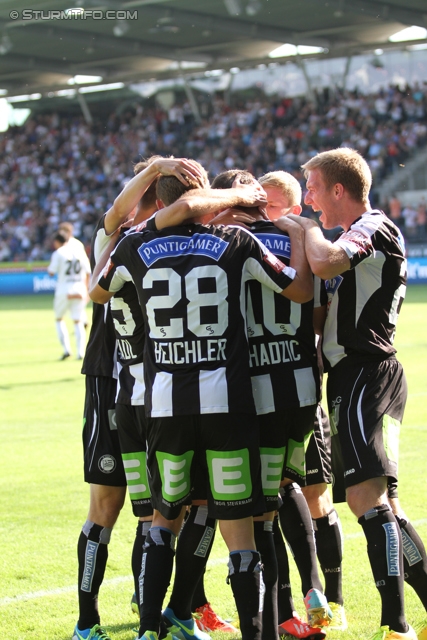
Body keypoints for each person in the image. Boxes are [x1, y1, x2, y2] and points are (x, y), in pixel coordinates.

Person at [89, 172, 312, 640]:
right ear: (205, 199)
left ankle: (150, 627)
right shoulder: (235, 241)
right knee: (238, 528)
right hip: (227, 404)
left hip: (164, 405)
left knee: (162, 520)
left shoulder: (133, 245)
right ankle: (256, 632)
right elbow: (299, 291)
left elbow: (96, 292)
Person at [73, 156, 205, 640]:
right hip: (110, 382)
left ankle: (151, 602)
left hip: (158, 387)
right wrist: (156, 170)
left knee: (160, 508)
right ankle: (87, 621)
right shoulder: (116, 238)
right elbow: (114, 213)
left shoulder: (162, 242)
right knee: (106, 504)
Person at [287, 147, 416, 640]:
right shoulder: (353, 235)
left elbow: (325, 262)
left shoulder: (372, 227)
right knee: (387, 509)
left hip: (368, 372)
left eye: (314, 188)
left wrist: (305, 230)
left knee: (367, 500)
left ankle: (396, 626)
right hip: (350, 377)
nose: (310, 199)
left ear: (339, 189)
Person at [258, 170, 347, 633]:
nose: (263, 214)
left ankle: (331, 597)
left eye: (271, 206)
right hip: (260, 393)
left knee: (314, 495)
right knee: (270, 501)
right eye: (260, 204)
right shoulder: (249, 243)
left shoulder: (308, 247)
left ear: (292, 210)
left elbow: (319, 315)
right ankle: (289, 609)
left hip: (302, 388)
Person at [47, 230, 91, 360]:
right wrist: (85, 288)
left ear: (57, 242)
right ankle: (80, 352)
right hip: (79, 289)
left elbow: (51, 272)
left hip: (63, 290)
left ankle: (67, 350)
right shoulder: (79, 252)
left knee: (59, 319)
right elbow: (88, 271)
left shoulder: (58, 253)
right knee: (78, 321)